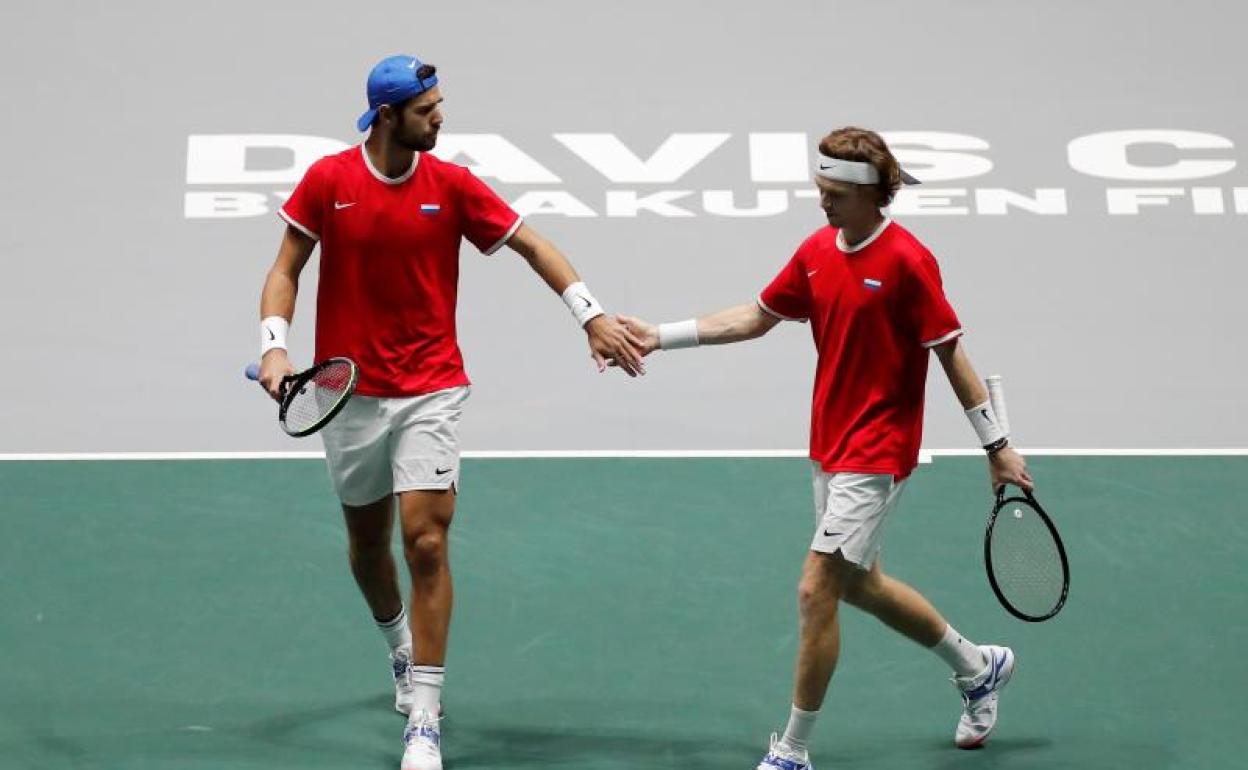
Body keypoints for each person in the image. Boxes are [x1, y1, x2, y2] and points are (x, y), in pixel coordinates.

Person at [255, 54, 645, 770]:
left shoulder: (453, 187)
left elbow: (531, 242)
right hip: (350, 395)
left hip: (432, 387)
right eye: (427, 110)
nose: (441, 118)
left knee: (425, 542)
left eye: (439, 105)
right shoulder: (329, 182)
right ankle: (399, 647)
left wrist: (587, 315)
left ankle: (425, 719)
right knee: (368, 544)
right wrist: (275, 348)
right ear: (386, 117)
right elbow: (286, 267)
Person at [615, 127, 1034, 769]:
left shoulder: (908, 262)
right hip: (830, 442)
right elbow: (755, 317)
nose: (822, 202)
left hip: (879, 448)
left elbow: (951, 352)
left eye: (833, 192)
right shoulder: (816, 250)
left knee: (815, 590)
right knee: (860, 585)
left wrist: (997, 446)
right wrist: (658, 336)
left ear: (870, 196)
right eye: (820, 189)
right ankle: (978, 667)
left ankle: (793, 751)